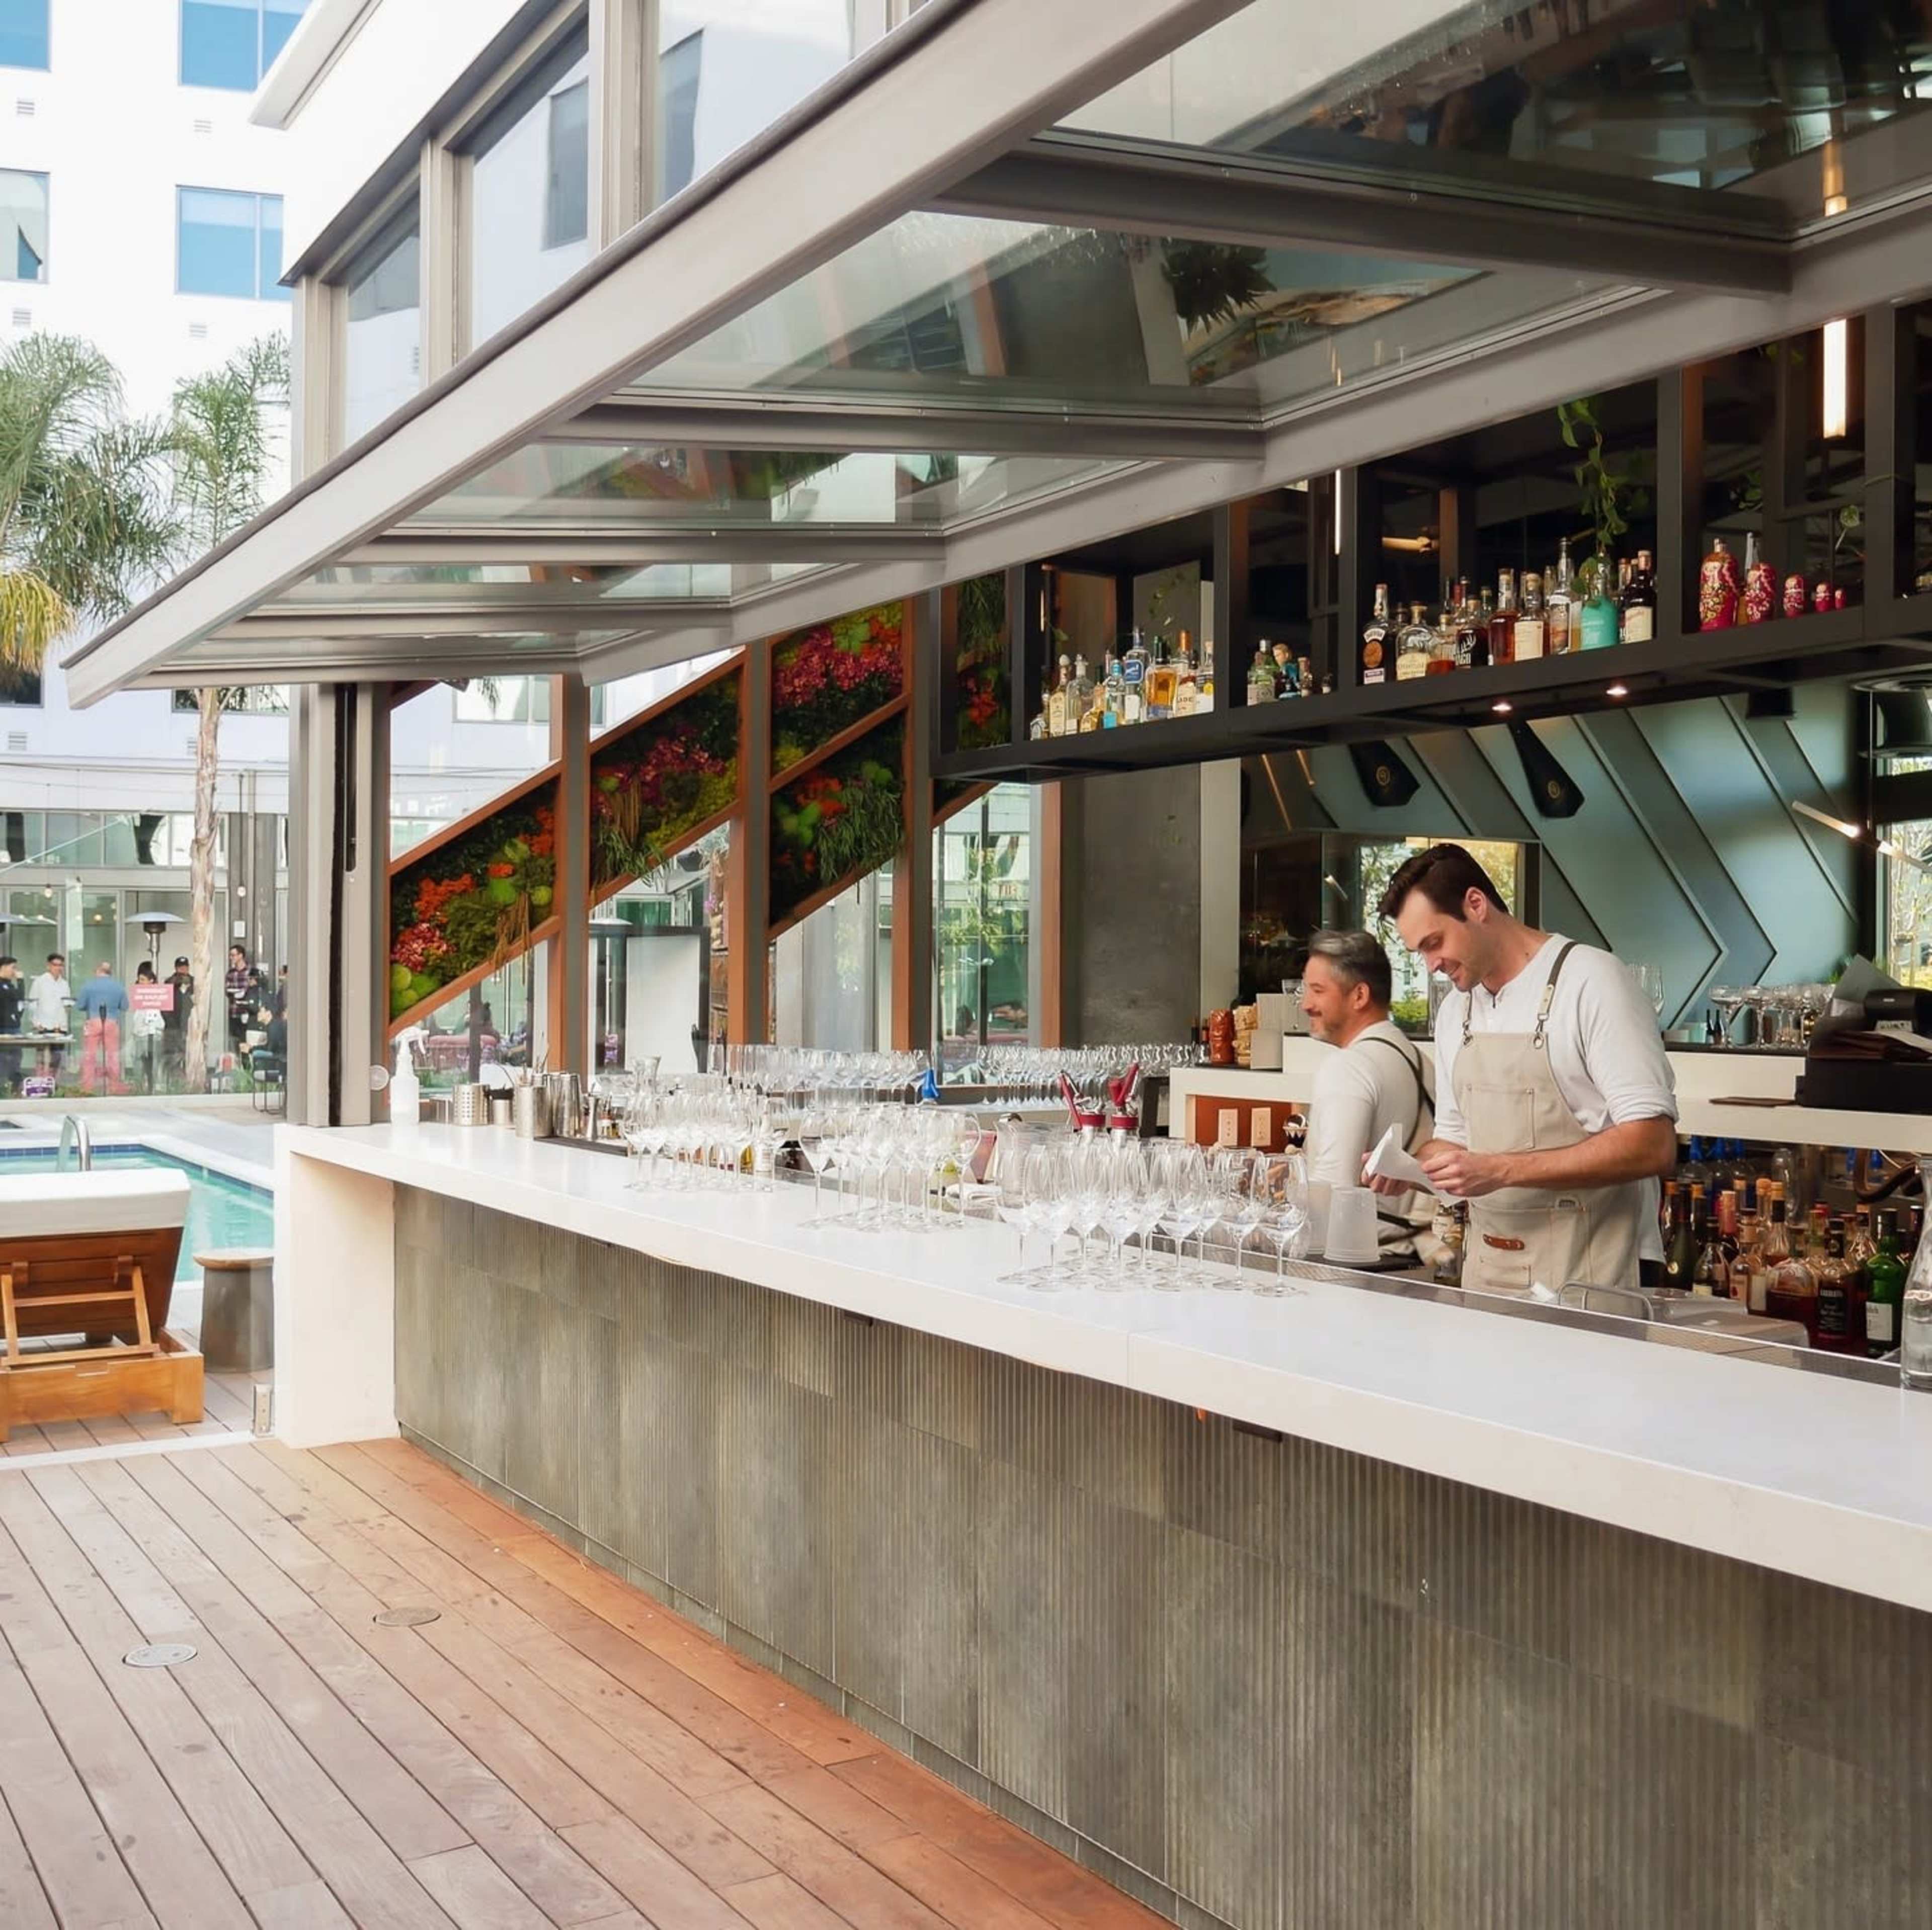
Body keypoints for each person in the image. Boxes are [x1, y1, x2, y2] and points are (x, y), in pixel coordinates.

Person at [1367, 843, 1676, 1295]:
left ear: (1476, 904)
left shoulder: (1592, 981)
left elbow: (1652, 1144)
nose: (1432, 966)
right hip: (1490, 1272)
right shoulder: (1456, 1012)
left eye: (1434, 943)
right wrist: (1413, 1167)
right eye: (1420, 953)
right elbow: (1455, 1138)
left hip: (1593, 1274)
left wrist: (1501, 1170)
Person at [1297, 929, 1435, 1262]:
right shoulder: (1420, 1060)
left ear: (1359, 995)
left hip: (1361, 1269)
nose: (1306, 1005)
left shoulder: (1348, 1067)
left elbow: (1330, 1190)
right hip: (1418, 1262)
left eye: (1318, 991)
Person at [75, 959, 128, 1095]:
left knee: (90, 1056)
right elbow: (125, 1006)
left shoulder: (89, 986)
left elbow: (80, 1006)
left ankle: (87, 1087)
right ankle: (114, 1086)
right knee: (113, 1056)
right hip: (112, 1022)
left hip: (93, 1021)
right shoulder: (119, 987)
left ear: (98, 971)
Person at [25, 952, 71, 1082]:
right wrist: (35, 1022)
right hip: (43, 1025)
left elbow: (67, 1005)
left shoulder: (65, 984)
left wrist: (63, 1023)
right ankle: (40, 1083)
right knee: (42, 1058)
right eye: (55, 965)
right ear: (49, 966)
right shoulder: (40, 982)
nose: (58, 968)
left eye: (61, 965)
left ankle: (54, 1084)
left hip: (59, 1026)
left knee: (57, 1058)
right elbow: (32, 1003)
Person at [127, 961, 167, 1094]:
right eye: (140, 980)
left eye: (143, 980)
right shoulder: (138, 995)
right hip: (140, 1033)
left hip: (154, 1032)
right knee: (139, 1061)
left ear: (151, 981)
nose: (141, 982)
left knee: (154, 1061)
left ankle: (153, 1087)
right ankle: (139, 1087)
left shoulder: (159, 994)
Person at [163, 955, 194, 1085]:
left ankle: (189, 1080)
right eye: (180, 968)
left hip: (189, 1023)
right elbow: (164, 1004)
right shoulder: (170, 982)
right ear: (176, 969)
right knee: (172, 1054)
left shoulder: (194, 982)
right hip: (173, 1025)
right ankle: (172, 1081)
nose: (183, 970)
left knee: (189, 1053)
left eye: (185, 967)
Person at [225, 945, 254, 1052]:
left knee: (246, 1043)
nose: (231, 958)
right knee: (234, 1042)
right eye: (230, 956)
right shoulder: (230, 973)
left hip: (247, 1013)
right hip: (234, 1012)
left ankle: (246, 1067)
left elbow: (255, 991)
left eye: (233, 955)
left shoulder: (250, 972)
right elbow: (227, 991)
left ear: (241, 956)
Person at [0, 956, 22, 1096]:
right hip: (3, 1027)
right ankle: (4, 1088)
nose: (15, 971)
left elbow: (20, 998)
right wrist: (21, 981)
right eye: (12, 968)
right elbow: (15, 996)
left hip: (14, 1026)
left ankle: (14, 1088)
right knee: (4, 1059)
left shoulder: (10, 984)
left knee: (16, 1057)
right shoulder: (3, 986)